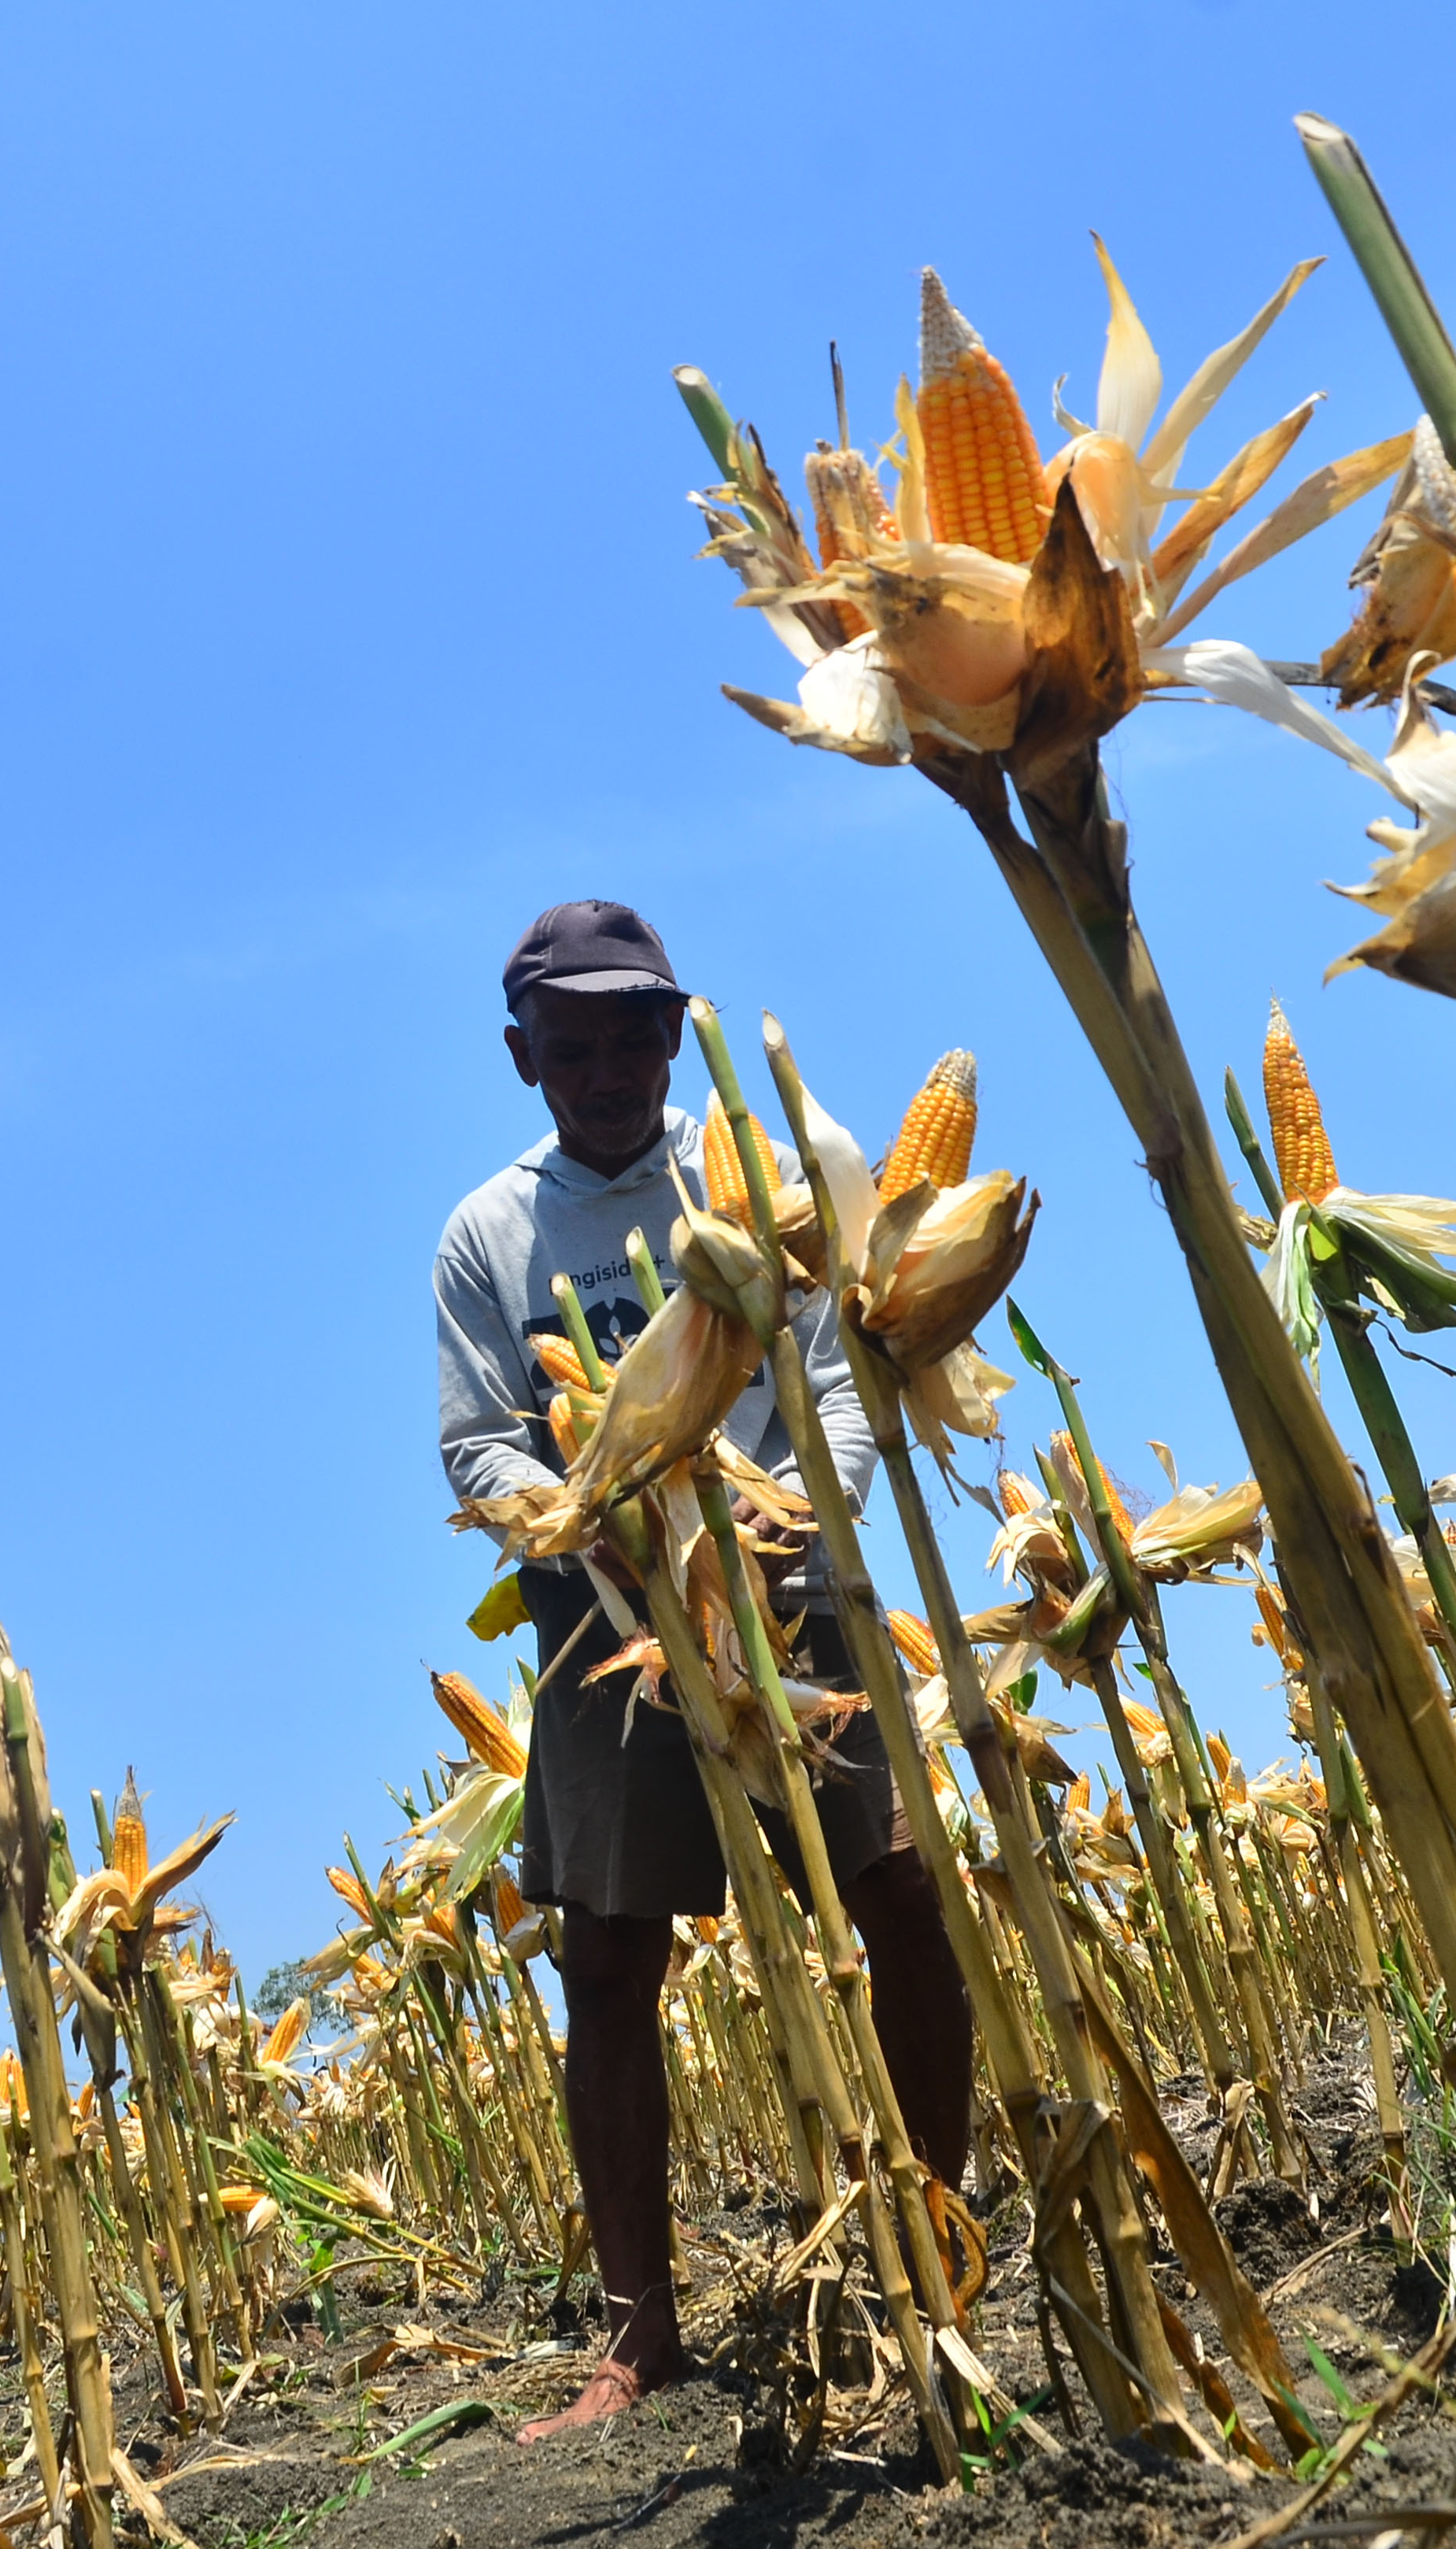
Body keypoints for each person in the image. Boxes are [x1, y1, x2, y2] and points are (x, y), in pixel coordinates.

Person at [433, 901, 974, 2440]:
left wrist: (799, 1515)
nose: (606, 1066)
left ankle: (939, 2248)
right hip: (604, 1616)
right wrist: (590, 1533)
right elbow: (477, 1443)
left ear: (675, 1034)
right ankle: (637, 2336)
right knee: (603, 1959)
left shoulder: (762, 1169)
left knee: (901, 1893)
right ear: (522, 1053)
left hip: (798, 1588)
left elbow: (841, 1368)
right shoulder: (490, 1235)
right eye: (573, 1041)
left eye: (633, 1034)